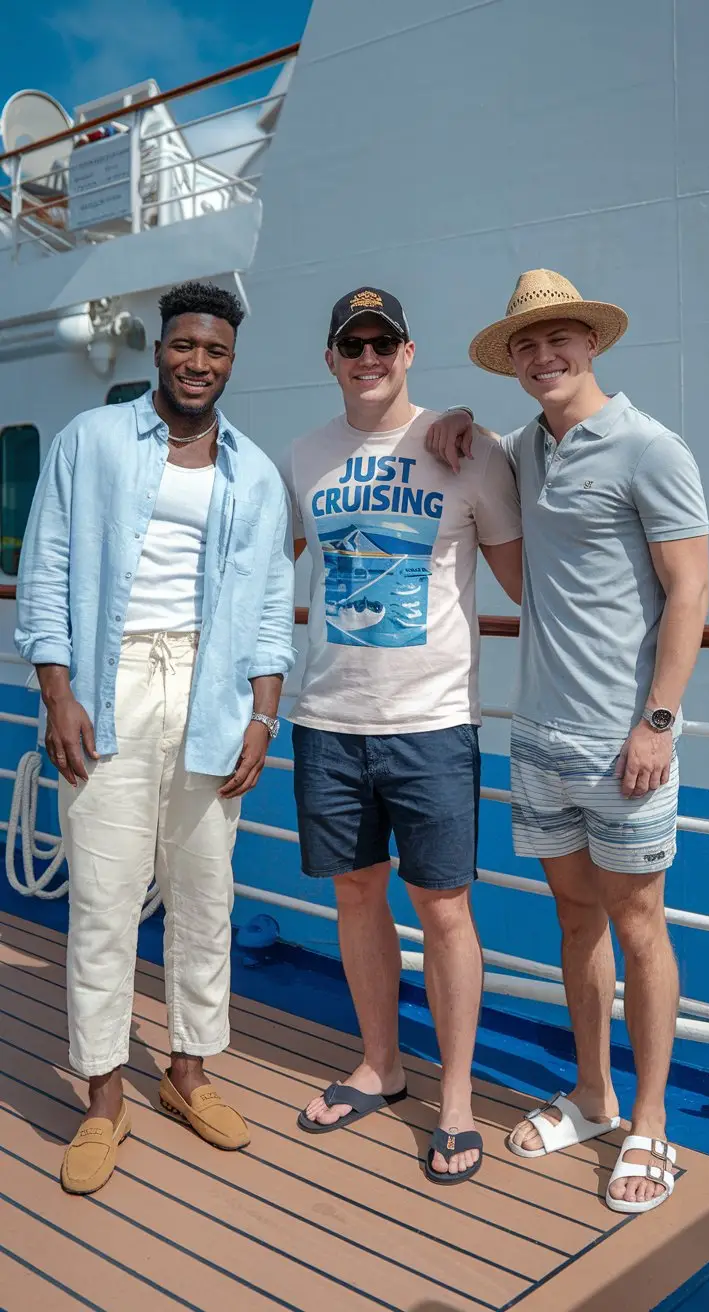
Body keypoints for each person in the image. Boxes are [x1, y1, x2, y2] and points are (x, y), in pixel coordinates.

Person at [426, 268, 709, 1213]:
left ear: (593, 345)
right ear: (514, 362)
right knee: (576, 922)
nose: (544, 357)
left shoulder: (650, 449)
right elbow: (471, 451)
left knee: (640, 925)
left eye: (561, 341)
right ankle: (591, 1095)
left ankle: (652, 1123)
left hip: (625, 741)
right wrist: (452, 421)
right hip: (539, 736)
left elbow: (692, 592)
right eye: (527, 346)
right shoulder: (525, 450)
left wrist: (659, 722)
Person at [16, 280, 295, 1195]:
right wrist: (59, 695)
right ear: (160, 349)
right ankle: (103, 1097)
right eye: (184, 346)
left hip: (214, 692)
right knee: (102, 896)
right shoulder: (91, 443)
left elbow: (264, 612)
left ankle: (187, 1074)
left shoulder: (252, 471)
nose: (197, 363)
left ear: (231, 358)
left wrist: (264, 714)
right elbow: (46, 568)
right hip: (113, 681)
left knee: (204, 892)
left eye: (214, 351)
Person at [280, 287, 522, 1184]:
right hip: (329, 720)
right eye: (354, 343)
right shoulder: (304, 455)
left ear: (409, 352)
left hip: (432, 725)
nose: (369, 356)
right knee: (355, 896)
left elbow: (532, 583)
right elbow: (265, 572)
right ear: (333, 360)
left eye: (384, 342)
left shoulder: (466, 449)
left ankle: (454, 1098)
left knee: (445, 910)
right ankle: (381, 1065)